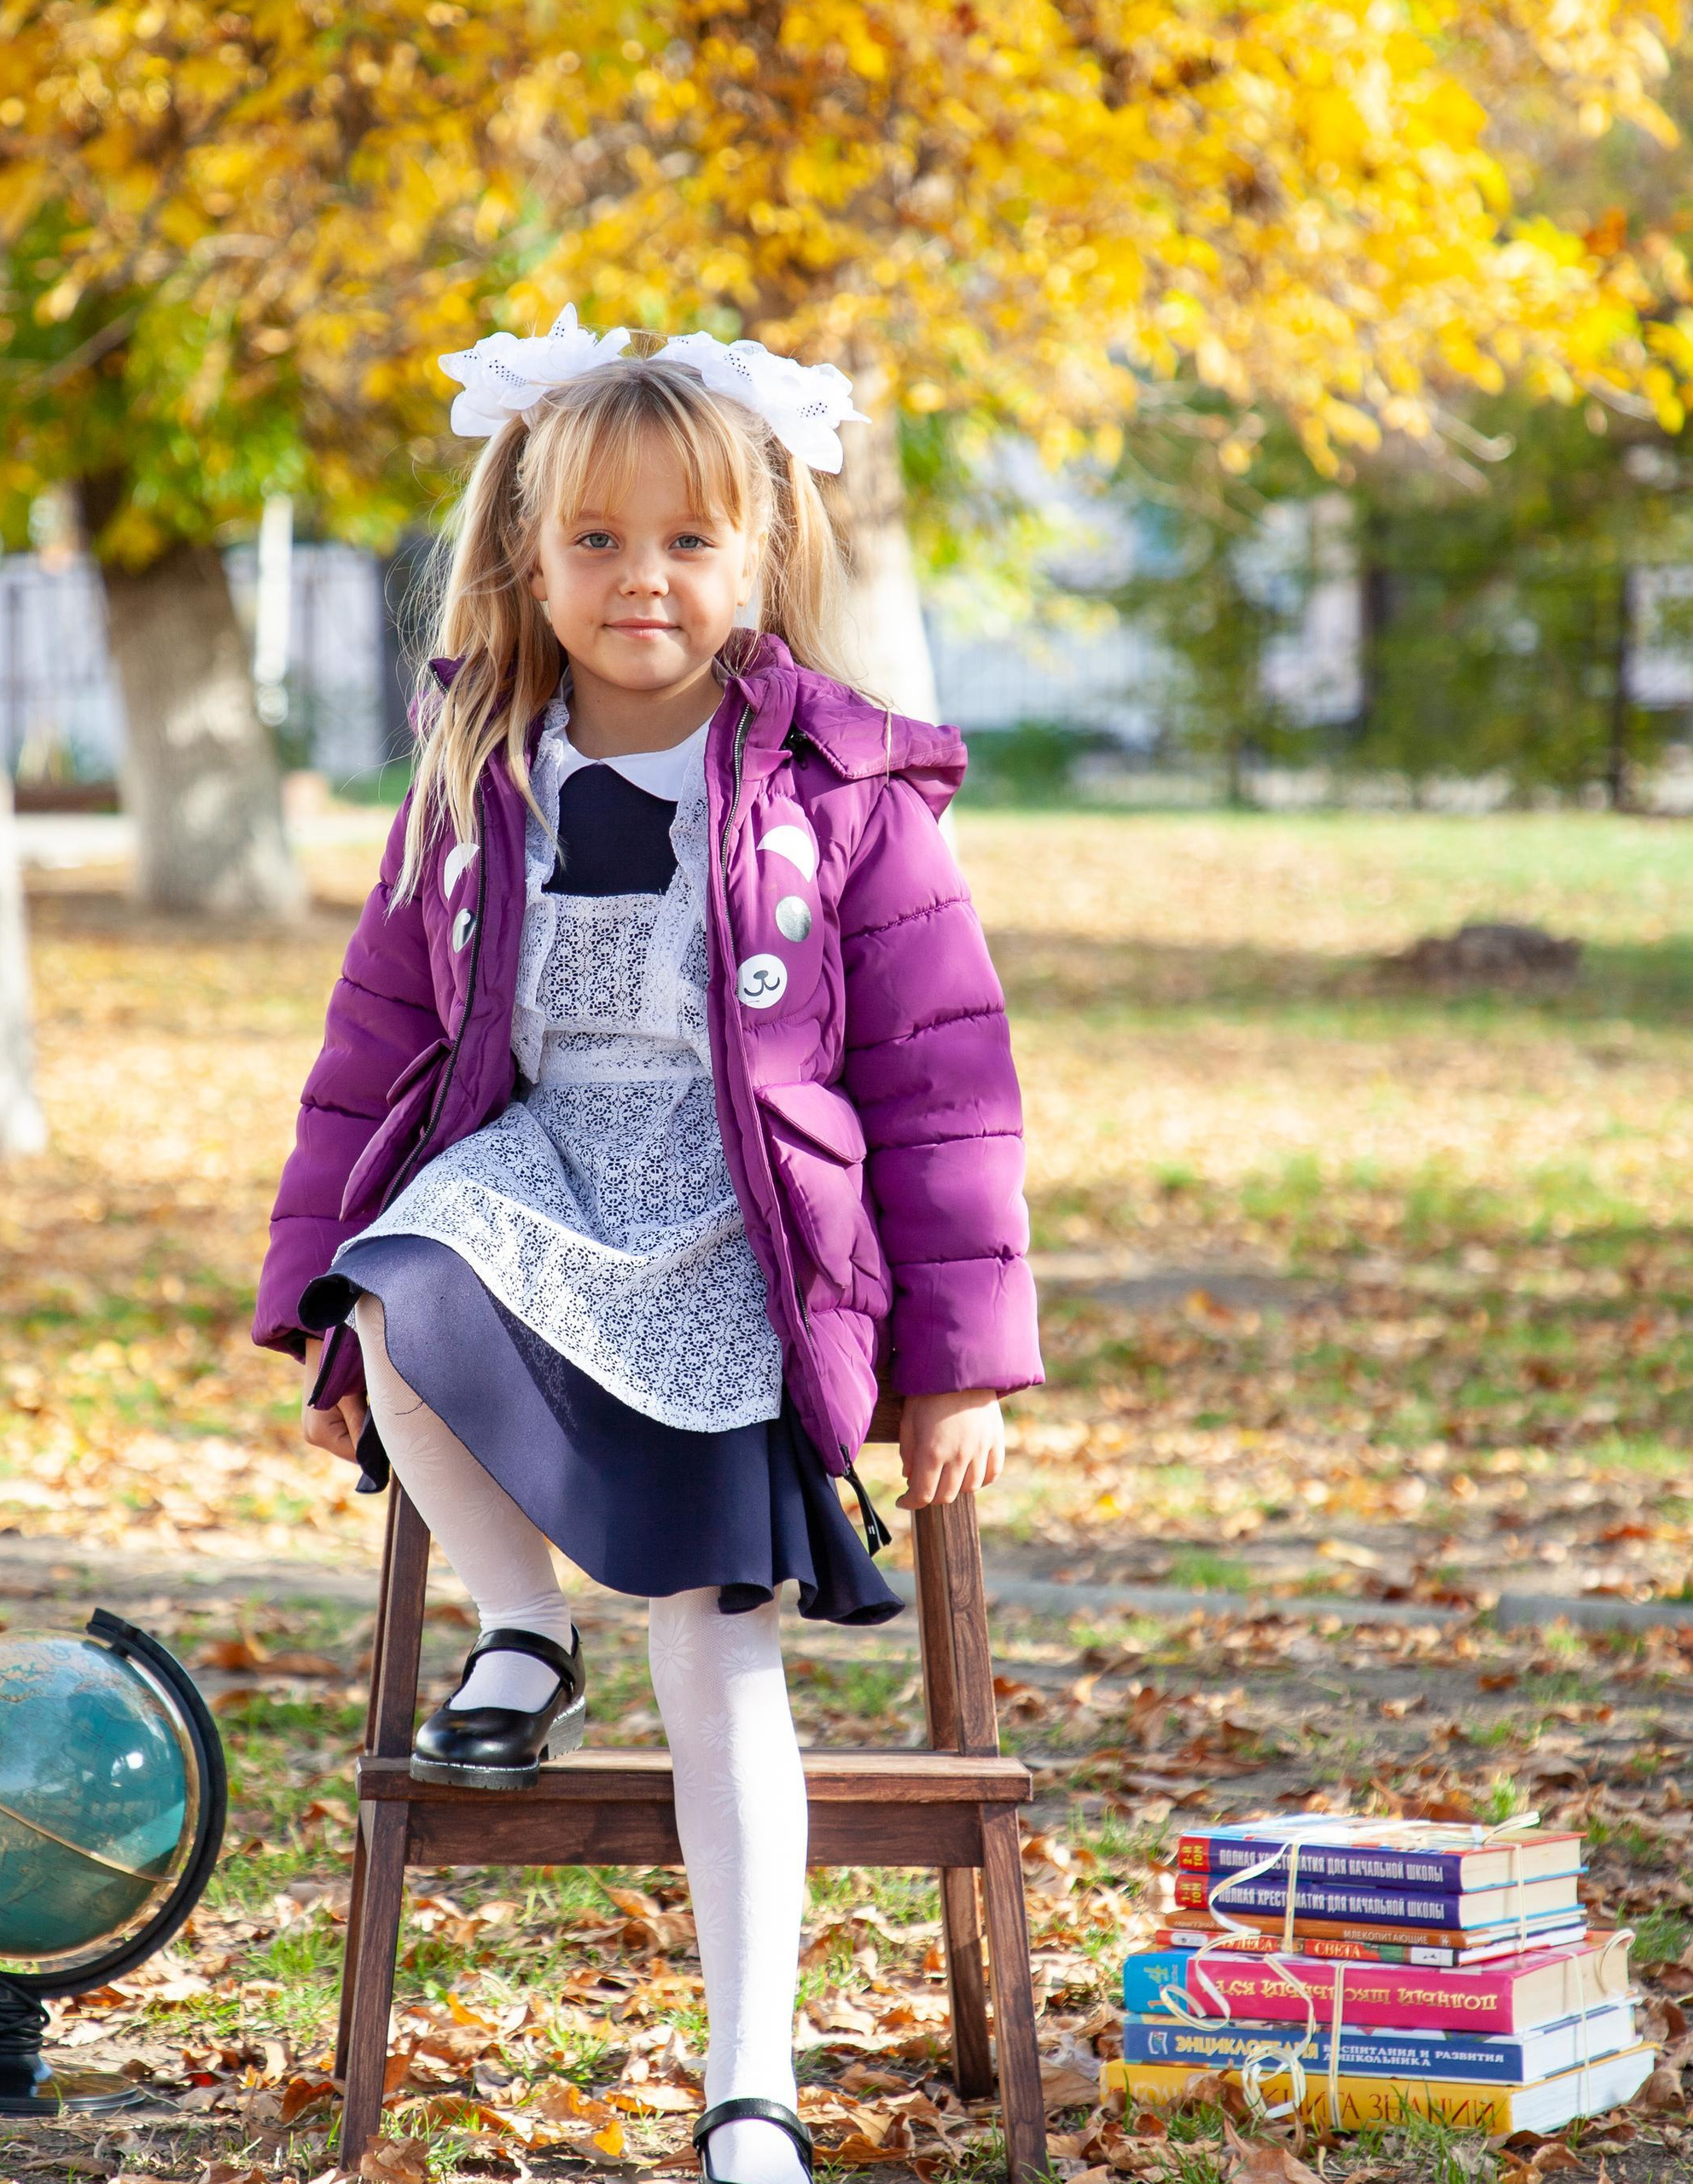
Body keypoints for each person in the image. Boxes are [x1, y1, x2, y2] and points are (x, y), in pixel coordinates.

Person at [252, 306, 1042, 2184]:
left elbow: (945, 1086)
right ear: (528, 552)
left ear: (761, 552)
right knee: (393, 1262)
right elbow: (369, 1047)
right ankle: (519, 1626)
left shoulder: (844, 793)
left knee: (719, 1659)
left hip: (735, 1232)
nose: (640, 581)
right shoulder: (471, 780)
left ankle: (744, 2078)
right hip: (530, 1181)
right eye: (596, 539)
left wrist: (956, 1359)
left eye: (687, 540)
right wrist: (310, 1302)